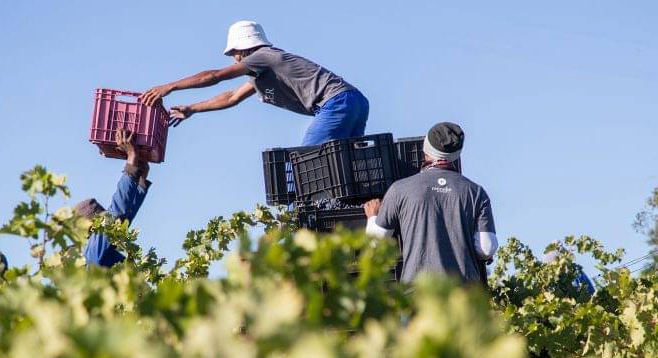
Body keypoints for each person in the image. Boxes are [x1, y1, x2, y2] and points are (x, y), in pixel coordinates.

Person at [139, 20, 369, 146]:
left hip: (336, 102)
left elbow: (216, 75)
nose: (235, 59)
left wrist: (170, 86)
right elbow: (232, 97)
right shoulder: (262, 70)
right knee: (344, 159)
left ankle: (293, 221)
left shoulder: (262, 57)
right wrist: (192, 109)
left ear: (243, 49)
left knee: (306, 160)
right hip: (354, 101)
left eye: (234, 54)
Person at [363, 122, 498, 283]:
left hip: (419, 294)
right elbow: (486, 248)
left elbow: (375, 245)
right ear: (457, 154)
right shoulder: (476, 192)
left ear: (425, 149)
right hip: (463, 296)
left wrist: (373, 217)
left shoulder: (400, 189)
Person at [74, 129, 151, 267]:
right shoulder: (91, 254)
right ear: (91, 229)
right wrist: (132, 156)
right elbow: (117, 213)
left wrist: (139, 170)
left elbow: (125, 214)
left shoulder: (101, 252)